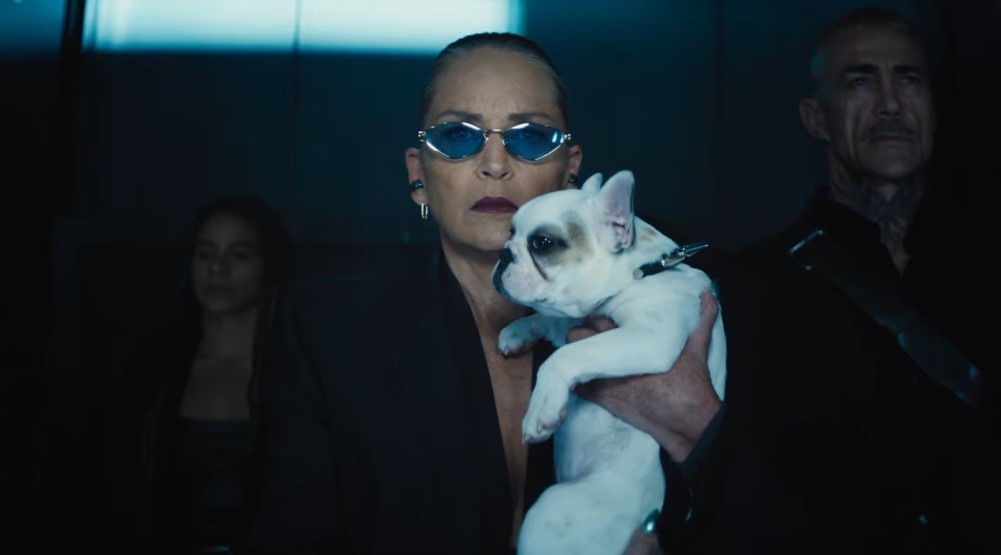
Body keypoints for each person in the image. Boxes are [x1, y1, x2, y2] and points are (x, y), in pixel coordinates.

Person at [244, 32, 724, 555]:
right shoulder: (326, 331)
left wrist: (698, 426)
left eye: (531, 137)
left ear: (571, 171)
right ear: (418, 175)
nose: (495, 163)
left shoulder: (677, 308)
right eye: (457, 135)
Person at [706, 7, 999, 553]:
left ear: (933, 110)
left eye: (909, 80)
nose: (891, 104)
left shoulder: (987, 271)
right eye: (861, 81)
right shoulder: (756, 288)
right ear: (816, 118)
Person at [107, 194, 296, 554]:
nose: (217, 268)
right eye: (205, 254)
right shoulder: (154, 377)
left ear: (268, 266)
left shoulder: (294, 378)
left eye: (239, 255)